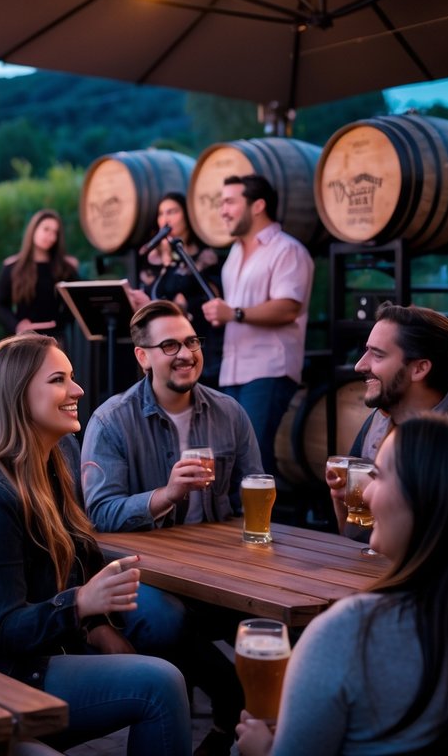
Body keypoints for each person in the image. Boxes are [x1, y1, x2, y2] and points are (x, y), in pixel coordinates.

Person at [0, 334, 190, 755]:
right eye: (59, 380)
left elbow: (78, 561)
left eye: (72, 378)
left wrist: (97, 626)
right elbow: (2, 628)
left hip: (25, 661)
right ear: (18, 397)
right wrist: (81, 604)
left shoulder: (49, 466)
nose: (78, 390)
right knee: (160, 684)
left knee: (165, 643)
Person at [237, 414, 448, 755]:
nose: (365, 492)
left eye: (378, 476)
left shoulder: (352, 632)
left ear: (425, 500)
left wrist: (263, 750)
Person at [82, 299, 262, 754]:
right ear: (143, 356)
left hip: (217, 566)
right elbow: (99, 513)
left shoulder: (230, 412)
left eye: (192, 341)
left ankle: (258, 728)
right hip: (143, 571)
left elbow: (253, 493)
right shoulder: (111, 420)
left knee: (280, 615)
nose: (186, 353)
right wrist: (165, 496)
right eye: (169, 345)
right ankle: (230, 701)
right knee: (163, 622)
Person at [325, 302, 448, 537]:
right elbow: (354, 538)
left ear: (420, 368)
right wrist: (341, 498)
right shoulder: (379, 421)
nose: (360, 365)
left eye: (377, 354)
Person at [201, 174, 313, 485]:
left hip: (269, 369)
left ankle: (266, 531)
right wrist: (222, 313)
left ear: (258, 206)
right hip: (233, 370)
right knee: (232, 458)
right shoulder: (235, 253)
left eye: (230, 202)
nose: (223, 210)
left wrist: (233, 313)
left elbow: (288, 307)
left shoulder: (287, 250)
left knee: (254, 460)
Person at [137, 192, 223, 383]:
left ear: (186, 215)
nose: (165, 219)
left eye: (172, 211)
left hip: (198, 345)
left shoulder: (204, 257)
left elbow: (210, 297)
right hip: (159, 346)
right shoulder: (150, 259)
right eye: (161, 213)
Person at [0, 209, 79, 342]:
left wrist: (59, 323)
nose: (51, 237)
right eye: (46, 229)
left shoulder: (65, 268)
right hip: (22, 340)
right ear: (34, 229)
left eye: (55, 232)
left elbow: (75, 303)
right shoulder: (13, 267)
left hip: (55, 340)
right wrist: (17, 325)